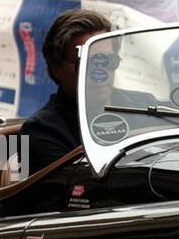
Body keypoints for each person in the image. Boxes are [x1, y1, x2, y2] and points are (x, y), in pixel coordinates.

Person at [21, 9, 113, 174]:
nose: (99, 73)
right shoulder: (42, 132)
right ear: (57, 69)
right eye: (85, 62)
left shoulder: (142, 105)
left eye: (108, 61)